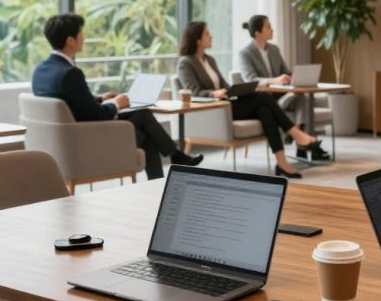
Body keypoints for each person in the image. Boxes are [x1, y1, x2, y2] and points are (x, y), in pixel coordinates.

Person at [31, 13, 202, 180]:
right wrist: (117, 104)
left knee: (146, 136)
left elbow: (71, 103)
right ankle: (175, 156)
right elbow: (97, 115)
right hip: (88, 139)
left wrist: (100, 98)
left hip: (65, 141)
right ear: (70, 40)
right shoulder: (70, 73)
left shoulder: (41, 70)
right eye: (81, 33)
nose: (83, 37)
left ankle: (168, 168)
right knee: (142, 115)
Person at [177, 21, 322, 179]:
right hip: (215, 110)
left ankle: (282, 163)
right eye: (206, 33)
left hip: (227, 102)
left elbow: (224, 84)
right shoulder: (185, 63)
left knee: (265, 110)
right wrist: (213, 94)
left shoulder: (209, 60)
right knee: (263, 97)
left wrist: (232, 89)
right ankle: (295, 133)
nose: (210, 36)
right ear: (197, 40)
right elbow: (193, 92)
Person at [238, 14, 330, 161]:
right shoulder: (245, 53)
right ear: (257, 33)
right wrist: (275, 80)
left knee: (302, 98)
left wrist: (293, 77)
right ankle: (305, 145)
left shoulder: (274, 49)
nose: (272, 29)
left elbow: (285, 71)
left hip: (281, 96)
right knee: (302, 100)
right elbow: (250, 79)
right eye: (268, 27)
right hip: (265, 100)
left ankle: (301, 145)